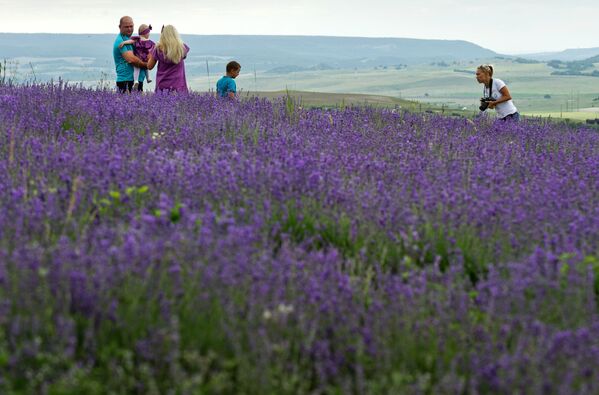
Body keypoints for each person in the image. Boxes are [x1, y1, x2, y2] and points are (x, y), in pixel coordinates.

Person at [147, 25, 190, 93]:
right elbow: (183, 56)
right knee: (181, 103)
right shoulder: (182, 48)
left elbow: (149, 66)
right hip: (178, 85)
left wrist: (150, 55)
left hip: (162, 85)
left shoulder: (157, 49)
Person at [113, 16, 148, 93]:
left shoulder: (129, 39)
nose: (129, 29)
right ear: (120, 27)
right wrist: (147, 65)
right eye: (126, 27)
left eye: (131, 26)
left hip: (134, 80)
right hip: (125, 80)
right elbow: (131, 59)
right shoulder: (120, 41)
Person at [118, 24, 155, 88]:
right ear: (146, 33)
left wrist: (124, 42)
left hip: (138, 57)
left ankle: (136, 80)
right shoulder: (150, 42)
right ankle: (148, 78)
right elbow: (155, 48)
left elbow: (130, 41)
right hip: (145, 58)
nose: (149, 34)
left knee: (136, 69)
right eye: (148, 33)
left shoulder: (137, 39)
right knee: (147, 67)